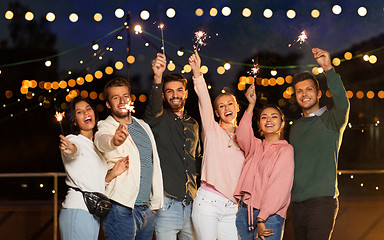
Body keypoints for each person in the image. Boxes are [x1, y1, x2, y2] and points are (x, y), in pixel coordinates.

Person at [289, 48, 350, 240]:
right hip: (297, 204)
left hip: (322, 202)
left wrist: (328, 69)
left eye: (309, 89)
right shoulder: (295, 127)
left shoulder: (331, 121)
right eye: (299, 91)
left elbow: (343, 103)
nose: (304, 94)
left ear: (318, 93)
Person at [94, 78, 163, 240]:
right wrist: (114, 140)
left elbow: (154, 164)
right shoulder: (106, 126)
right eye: (115, 97)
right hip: (120, 208)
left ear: (131, 99)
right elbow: (102, 141)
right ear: (109, 104)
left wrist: (154, 206)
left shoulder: (143, 126)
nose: (122, 101)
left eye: (125, 95)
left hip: (146, 210)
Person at [188, 51, 245, 239]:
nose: (227, 108)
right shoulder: (212, 131)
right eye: (221, 106)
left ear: (238, 107)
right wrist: (197, 73)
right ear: (216, 112)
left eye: (230, 104)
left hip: (232, 206)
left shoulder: (246, 138)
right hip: (208, 203)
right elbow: (204, 100)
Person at [145, 53, 201, 240]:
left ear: (186, 93)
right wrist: (158, 77)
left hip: (193, 205)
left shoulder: (194, 124)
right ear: (163, 94)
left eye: (179, 90)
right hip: (166, 205)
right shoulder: (158, 118)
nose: (175, 95)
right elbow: (153, 106)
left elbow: (197, 160)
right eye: (169, 91)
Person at [59, 97, 128, 240]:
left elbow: (95, 182)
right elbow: (74, 151)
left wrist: (113, 173)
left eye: (88, 109)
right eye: (79, 112)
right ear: (74, 120)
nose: (86, 113)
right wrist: (71, 150)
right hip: (77, 209)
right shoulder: (73, 140)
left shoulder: (96, 146)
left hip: (93, 211)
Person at [234, 84, 294, 240]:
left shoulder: (285, 150)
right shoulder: (255, 145)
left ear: (282, 124)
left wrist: (262, 218)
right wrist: (251, 105)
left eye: (274, 117)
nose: (269, 120)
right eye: (264, 117)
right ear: (259, 124)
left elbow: (279, 187)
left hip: (270, 216)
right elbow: (241, 135)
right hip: (245, 213)